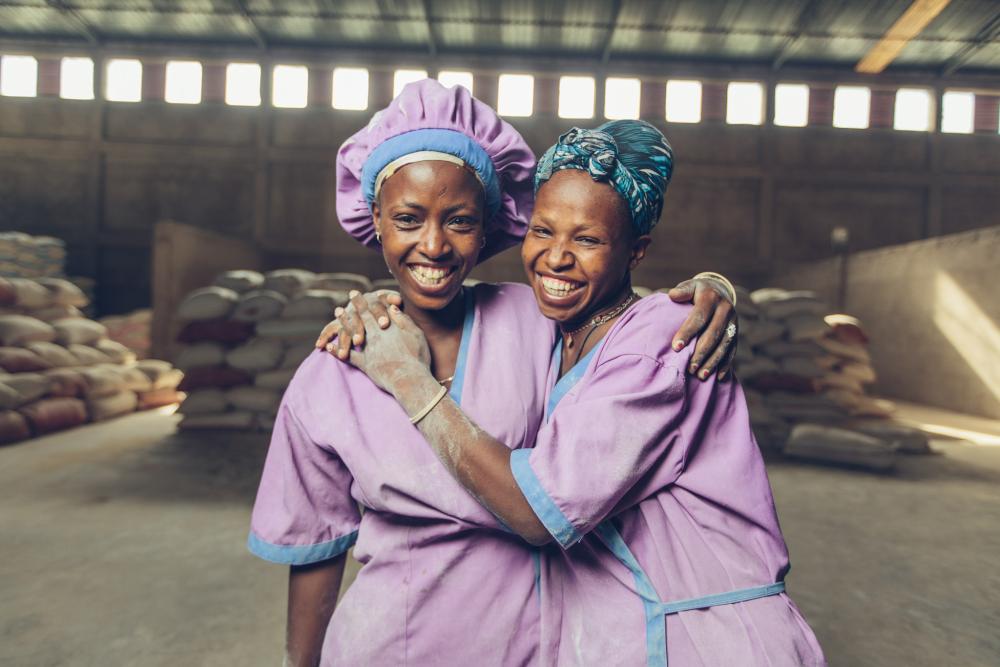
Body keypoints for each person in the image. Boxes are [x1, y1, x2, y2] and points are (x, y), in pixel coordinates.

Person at [248, 80, 738, 666]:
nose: (433, 246)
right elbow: (316, 552)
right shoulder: (331, 373)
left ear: (489, 225)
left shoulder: (539, 325)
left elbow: (627, 317)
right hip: (386, 648)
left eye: (458, 220)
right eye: (407, 219)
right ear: (374, 217)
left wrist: (713, 290)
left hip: (537, 649)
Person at [335, 120, 826, 665]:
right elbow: (442, 286)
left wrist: (409, 381)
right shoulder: (557, 329)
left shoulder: (658, 342)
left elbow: (536, 513)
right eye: (543, 231)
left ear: (636, 252)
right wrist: (378, 304)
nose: (556, 258)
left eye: (587, 238)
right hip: (627, 631)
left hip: (712, 640)